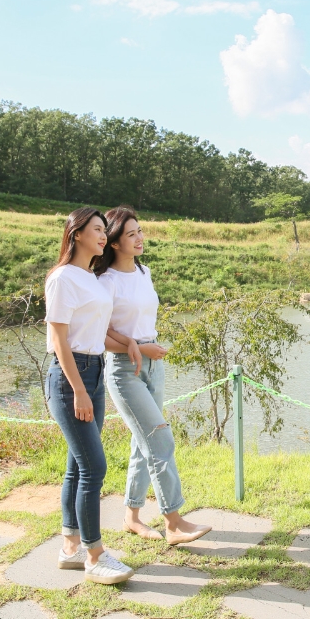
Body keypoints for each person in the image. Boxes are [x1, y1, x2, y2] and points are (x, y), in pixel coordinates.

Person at [97, 206, 212, 545]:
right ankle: (173, 522)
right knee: (160, 439)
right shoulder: (105, 281)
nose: (139, 238)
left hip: (153, 366)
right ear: (114, 242)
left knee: (142, 442)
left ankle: (131, 517)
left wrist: (149, 348)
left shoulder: (143, 271)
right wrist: (138, 347)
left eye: (140, 231)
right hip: (125, 370)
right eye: (131, 234)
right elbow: (98, 335)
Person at [45, 207, 134, 585]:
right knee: (94, 468)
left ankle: (71, 548)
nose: (102, 235)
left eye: (104, 230)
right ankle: (95, 556)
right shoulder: (63, 278)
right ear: (76, 233)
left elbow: (99, 330)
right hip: (72, 377)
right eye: (96, 229)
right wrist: (79, 390)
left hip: (94, 369)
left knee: (77, 465)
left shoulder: (91, 278)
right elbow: (58, 339)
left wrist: (130, 343)